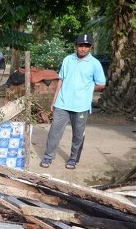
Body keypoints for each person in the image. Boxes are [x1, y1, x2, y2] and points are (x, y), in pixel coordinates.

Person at [39, 33, 106, 170]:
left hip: (81, 106)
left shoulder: (95, 64)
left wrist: (87, 90)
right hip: (62, 103)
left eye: (86, 46)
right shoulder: (68, 60)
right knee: (54, 132)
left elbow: (101, 84)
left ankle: (73, 159)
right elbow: (61, 80)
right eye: (81, 46)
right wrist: (54, 99)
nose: (83, 49)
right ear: (76, 46)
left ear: (90, 48)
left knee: (78, 134)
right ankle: (48, 157)